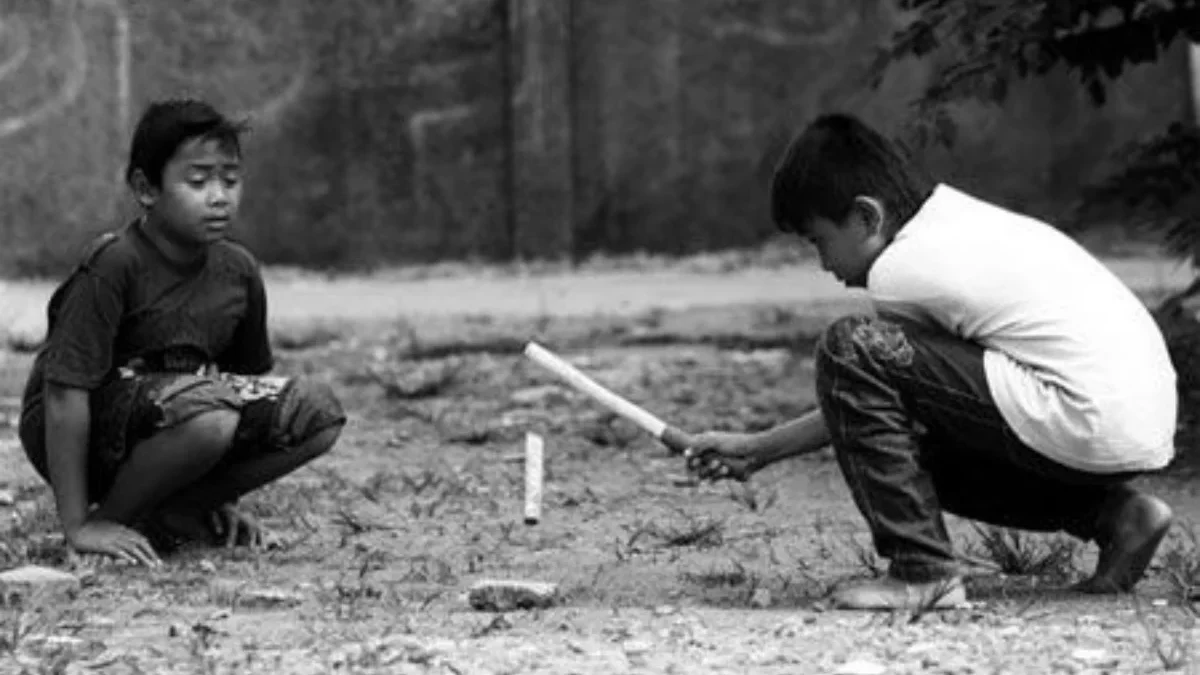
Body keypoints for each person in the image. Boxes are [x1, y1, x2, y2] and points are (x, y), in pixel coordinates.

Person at [685, 113, 1177, 610]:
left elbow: (860, 377)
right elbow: (871, 403)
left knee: (849, 345)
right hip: (1129, 423)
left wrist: (762, 447)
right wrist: (760, 449)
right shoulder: (956, 223)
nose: (822, 264)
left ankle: (922, 571)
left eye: (819, 241)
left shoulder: (903, 269)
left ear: (867, 217)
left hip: (1078, 414)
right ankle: (1120, 517)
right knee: (908, 455)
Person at [18, 99, 346, 567]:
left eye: (230, 180)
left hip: (182, 418)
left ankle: (178, 511)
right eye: (198, 182)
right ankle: (113, 520)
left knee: (314, 414)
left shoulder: (239, 271)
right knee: (209, 412)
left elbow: (243, 392)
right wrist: (77, 523)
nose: (219, 196)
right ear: (145, 188)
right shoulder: (115, 265)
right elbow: (63, 395)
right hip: (82, 434)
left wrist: (221, 501)